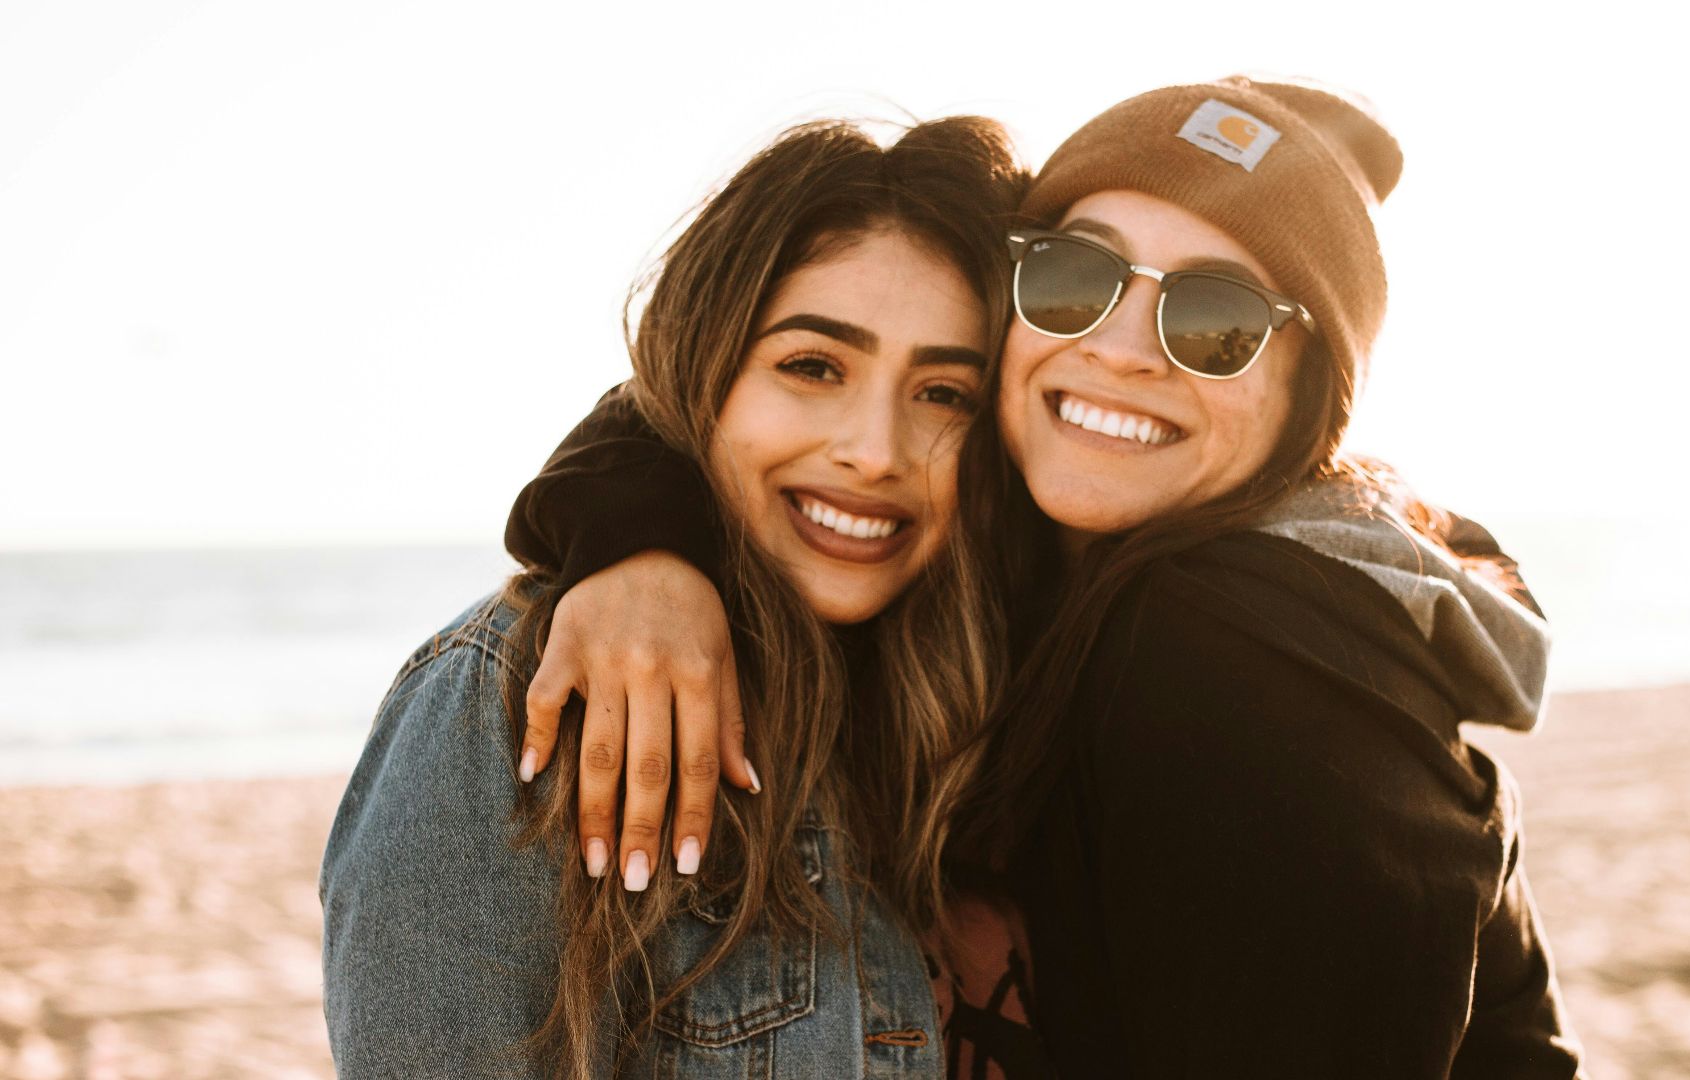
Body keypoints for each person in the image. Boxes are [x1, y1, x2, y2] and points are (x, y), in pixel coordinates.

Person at [504, 78, 1585, 1077]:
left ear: (1311, 396)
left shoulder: (1244, 649)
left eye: (1217, 321)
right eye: (1077, 277)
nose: (1120, 349)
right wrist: (645, 543)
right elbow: (710, 384)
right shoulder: (1014, 539)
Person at [318, 115, 1043, 1078]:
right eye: (812, 367)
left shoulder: (998, 695)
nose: (876, 451)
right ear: (705, 375)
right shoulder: (512, 703)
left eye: (944, 393)